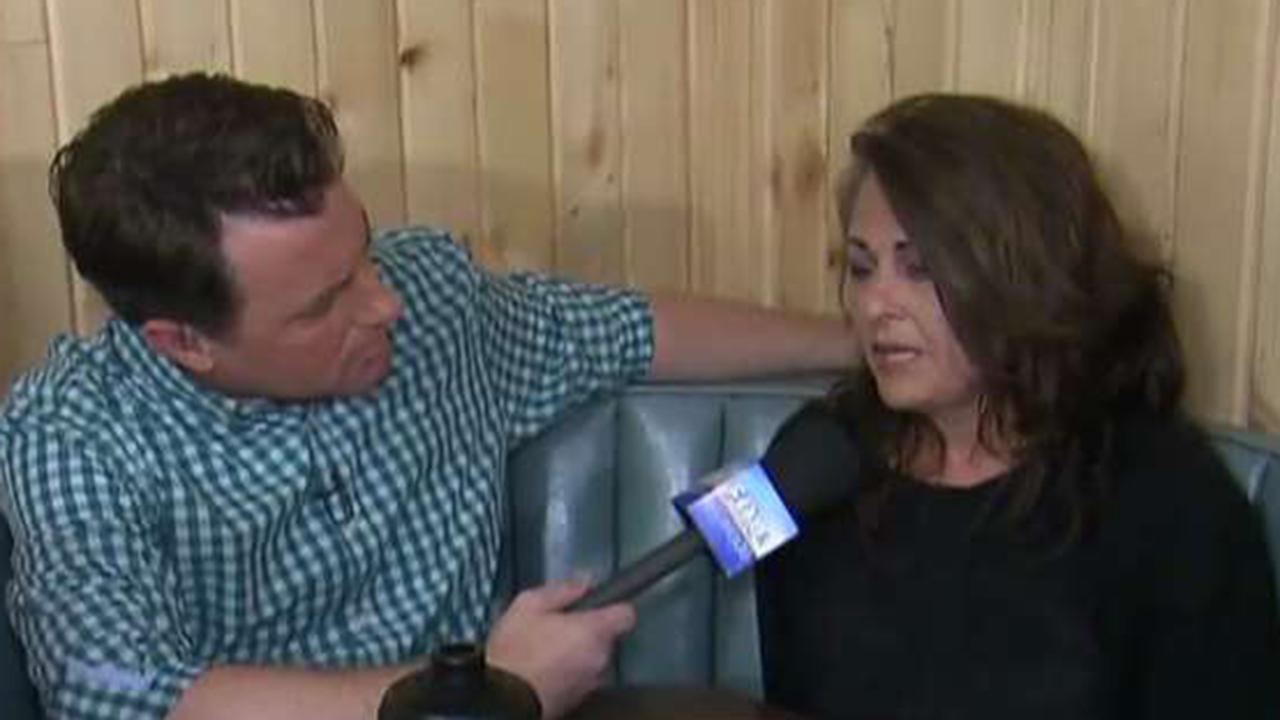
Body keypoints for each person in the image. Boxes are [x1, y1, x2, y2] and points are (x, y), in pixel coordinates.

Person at [0, 73, 860, 720]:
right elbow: (120, 693)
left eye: (364, 256)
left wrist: (869, 346)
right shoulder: (74, 432)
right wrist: (480, 690)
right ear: (183, 342)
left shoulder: (435, 300)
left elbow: (633, 331)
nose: (385, 304)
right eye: (325, 304)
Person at [755, 93, 1280, 719]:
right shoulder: (816, 459)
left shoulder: (1170, 503)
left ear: (1026, 277)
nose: (874, 304)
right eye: (862, 268)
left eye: (920, 268)